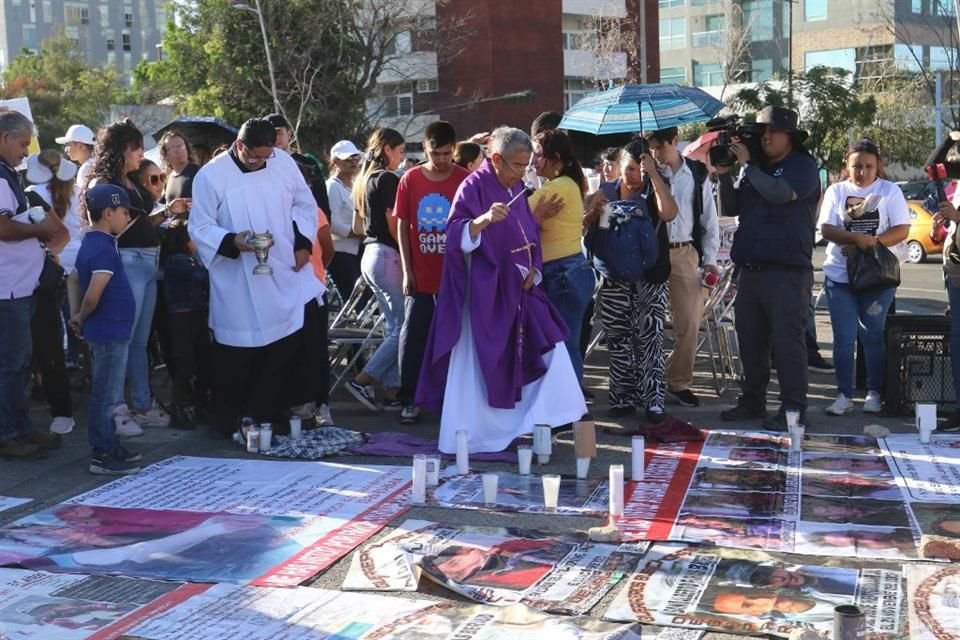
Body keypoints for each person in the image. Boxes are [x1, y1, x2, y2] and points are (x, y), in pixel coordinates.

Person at [417, 126, 587, 454]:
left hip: (521, 291)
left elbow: (530, 235)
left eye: (527, 165)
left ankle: (537, 424)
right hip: (484, 295)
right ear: (496, 159)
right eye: (518, 165)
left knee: (554, 353)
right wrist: (481, 221)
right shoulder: (474, 186)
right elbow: (454, 235)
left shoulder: (518, 187)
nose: (524, 172)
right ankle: (476, 436)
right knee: (480, 370)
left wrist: (535, 269)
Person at [188, 117, 324, 438]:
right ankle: (229, 417)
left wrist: (303, 243)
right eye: (253, 157)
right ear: (239, 145)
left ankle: (268, 414)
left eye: (266, 156)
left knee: (287, 342)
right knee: (238, 349)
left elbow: (304, 206)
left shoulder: (283, 163)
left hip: (280, 267)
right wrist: (233, 240)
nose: (260, 162)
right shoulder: (211, 175)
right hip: (238, 277)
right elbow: (200, 226)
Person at [718, 106, 821, 430]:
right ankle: (752, 401)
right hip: (751, 269)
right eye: (762, 132)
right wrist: (724, 171)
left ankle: (793, 410)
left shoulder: (802, 166)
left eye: (773, 132)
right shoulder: (756, 169)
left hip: (787, 271)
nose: (766, 137)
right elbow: (730, 207)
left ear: (790, 136)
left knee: (787, 344)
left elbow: (780, 194)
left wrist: (748, 165)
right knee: (750, 340)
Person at [584, 140, 679, 423]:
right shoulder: (606, 191)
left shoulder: (654, 190)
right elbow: (584, 225)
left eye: (638, 169)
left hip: (651, 276)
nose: (633, 175)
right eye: (629, 169)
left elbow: (669, 213)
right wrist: (592, 212)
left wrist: (655, 177)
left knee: (650, 339)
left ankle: (654, 401)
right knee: (619, 340)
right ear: (620, 167)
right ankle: (622, 398)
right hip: (614, 278)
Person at [87, 119, 171, 432]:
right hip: (128, 261)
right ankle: (116, 408)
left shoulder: (130, 179)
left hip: (148, 261)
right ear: (122, 149)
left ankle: (142, 403)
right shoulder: (104, 183)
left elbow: (140, 219)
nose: (140, 154)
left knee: (139, 340)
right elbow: (104, 228)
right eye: (135, 147)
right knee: (122, 338)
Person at [818, 139, 909, 416]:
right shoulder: (836, 191)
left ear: (877, 166)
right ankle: (844, 394)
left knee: (872, 335)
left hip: (877, 277)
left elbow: (902, 229)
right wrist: (855, 238)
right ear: (847, 166)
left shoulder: (889, 191)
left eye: (869, 166)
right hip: (840, 276)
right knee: (843, 338)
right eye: (857, 166)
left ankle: (874, 393)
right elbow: (826, 228)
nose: (862, 172)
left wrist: (870, 243)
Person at [0, 112, 68, 458]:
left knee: (20, 361)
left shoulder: (9, 174)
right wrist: (39, 230)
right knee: (12, 363)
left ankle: (20, 428)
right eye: (23, 143)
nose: (26, 152)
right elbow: (3, 229)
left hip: (18, 284)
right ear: (4, 138)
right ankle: (10, 433)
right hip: (7, 287)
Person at [395, 121, 469, 424]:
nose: (441, 160)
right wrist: (406, 270)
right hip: (421, 277)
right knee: (413, 336)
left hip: (454, 278)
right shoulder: (410, 179)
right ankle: (409, 398)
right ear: (424, 149)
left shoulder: (466, 179)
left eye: (446, 154)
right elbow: (402, 224)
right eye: (435, 153)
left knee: (457, 339)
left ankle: (452, 398)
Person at [644, 126, 720, 408]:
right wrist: (650, 173)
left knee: (689, 322)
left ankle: (679, 382)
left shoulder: (696, 173)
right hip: (654, 251)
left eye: (660, 147)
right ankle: (646, 382)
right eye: (651, 148)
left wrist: (709, 258)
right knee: (647, 322)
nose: (655, 154)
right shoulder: (648, 173)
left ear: (674, 142)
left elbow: (709, 220)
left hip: (685, 250)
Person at [70, 184, 142, 474]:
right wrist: (82, 316)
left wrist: (76, 315)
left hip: (109, 330)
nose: (128, 218)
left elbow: (74, 279)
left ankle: (110, 446)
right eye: (124, 212)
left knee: (107, 393)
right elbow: (93, 294)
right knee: (106, 394)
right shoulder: (103, 248)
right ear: (108, 212)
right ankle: (101, 454)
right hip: (109, 331)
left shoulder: (93, 243)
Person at [528, 129, 594, 384]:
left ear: (555, 157)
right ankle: (571, 413)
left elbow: (513, 219)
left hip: (562, 274)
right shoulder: (567, 184)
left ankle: (572, 414)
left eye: (537, 156)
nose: (533, 162)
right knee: (566, 347)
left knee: (564, 349)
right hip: (568, 273)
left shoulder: (558, 187)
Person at [347, 128, 406, 411]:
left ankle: (393, 391)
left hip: (369, 254)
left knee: (393, 326)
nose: (402, 157)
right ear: (387, 149)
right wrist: (408, 256)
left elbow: (358, 227)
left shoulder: (364, 179)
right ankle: (363, 379)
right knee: (402, 327)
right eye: (400, 151)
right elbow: (394, 223)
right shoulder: (387, 179)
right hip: (386, 253)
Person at [25, 151, 82, 436]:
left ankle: (58, 409)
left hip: (45, 276)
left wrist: (44, 254)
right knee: (54, 343)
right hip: (69, 267)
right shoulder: (72, 189)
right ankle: (60, 411)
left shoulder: (30, 193)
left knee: (46, 344)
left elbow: (60, 235)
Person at [160, 220, 210, 429]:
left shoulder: (181, 261)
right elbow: (200, 277)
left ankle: (198, 404)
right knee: (185, 364)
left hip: (193, 314)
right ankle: (180, 408)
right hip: (184, 316)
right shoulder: (179, 262)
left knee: (199, 361)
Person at [266, 113, 332, 217]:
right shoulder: (262, 165)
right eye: (270, 134)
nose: (275, 138)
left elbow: (321, 199)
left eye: (279, 133)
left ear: (289, 133)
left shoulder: (308, 163)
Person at [325, 139, 364, 303]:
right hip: (340, 252)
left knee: (361, 299)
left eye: (355, 158)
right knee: (353, 300)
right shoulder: (332, 186)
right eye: (348, 159)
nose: (353, 162)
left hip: (357, 250)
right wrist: (355, 233)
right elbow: (330, 222)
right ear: (335, 162)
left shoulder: (355, 184)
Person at [159, 131, 200, 204]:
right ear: (165, 154)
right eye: (172, 148)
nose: (178, 151)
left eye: (181, 146)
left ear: (187, 148)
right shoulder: (168, 179)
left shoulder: (198, 173)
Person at [56, 124, 95, 189]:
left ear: (81, 146)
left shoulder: (86, 169)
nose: (66, 150)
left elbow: (82, 198)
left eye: (68, 144)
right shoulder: (98, 164)